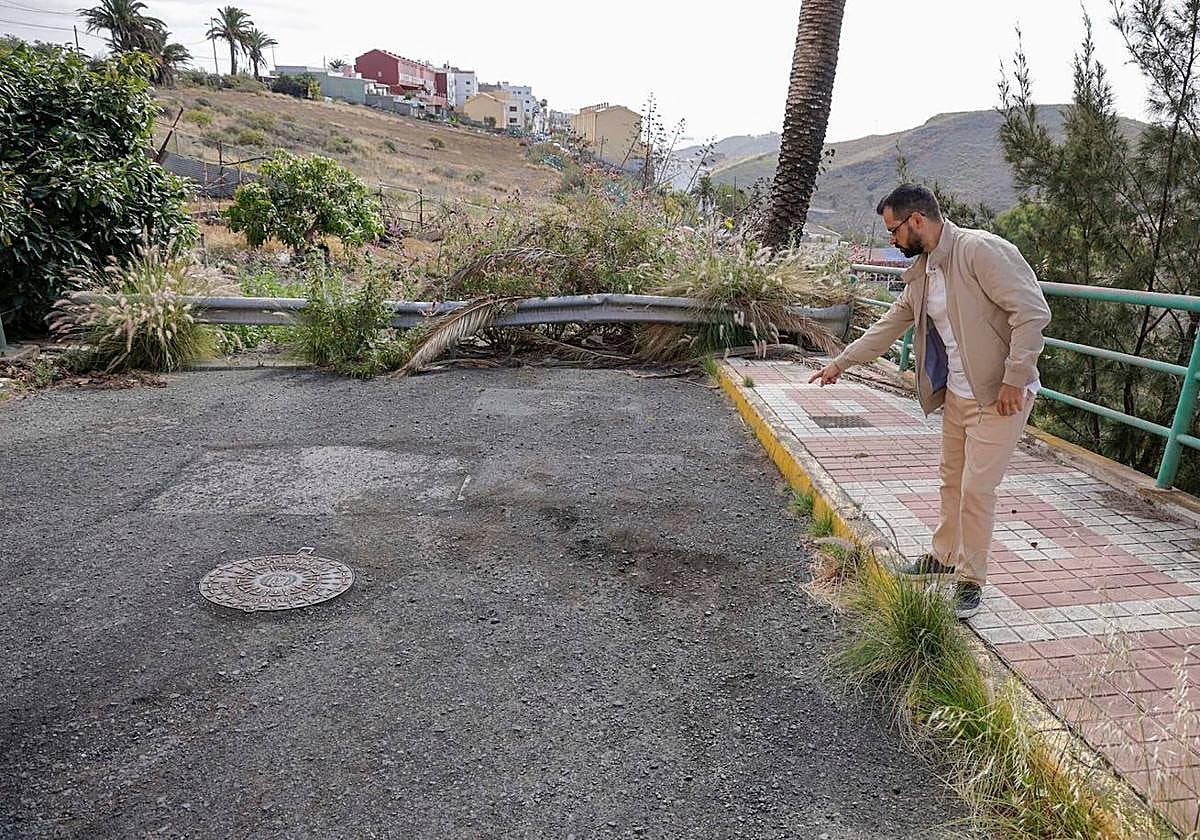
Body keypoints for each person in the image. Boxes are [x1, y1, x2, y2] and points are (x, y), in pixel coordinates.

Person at [809, 184, 1051, 619]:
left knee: (977, 490)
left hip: (1000, 398)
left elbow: (1032, 312)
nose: (893, 241)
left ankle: (970, 580)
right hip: (957, 396)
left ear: (916, 221)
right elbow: (889, 325)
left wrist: (1016, 378)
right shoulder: (922, 273)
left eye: (893, 231)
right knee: (951, 481)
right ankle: (942, 557)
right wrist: (841, 363)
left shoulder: (980, 251)